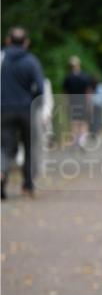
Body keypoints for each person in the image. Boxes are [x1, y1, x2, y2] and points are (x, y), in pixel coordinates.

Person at [1, 27, 46, 199]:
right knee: (30, 146)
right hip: (27, 109)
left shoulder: (1, 58)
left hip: (3, 109)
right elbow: (40, 88)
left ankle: (1, 174)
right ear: (26, 42)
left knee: (4, 146)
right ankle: (28, 185)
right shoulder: (31, 61)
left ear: (8, 40)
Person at [61, 55, 93, 148]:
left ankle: (76, 142)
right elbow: (88, 92)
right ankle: (82, 140)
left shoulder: (68, 77)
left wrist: (65, 103)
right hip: (82, 101)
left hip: (72, 102)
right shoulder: (85, 76)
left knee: (74, 122)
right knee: (83, 122)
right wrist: (89, 103)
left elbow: (65, 93)